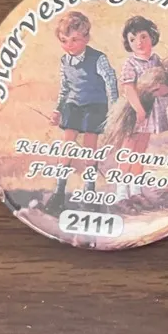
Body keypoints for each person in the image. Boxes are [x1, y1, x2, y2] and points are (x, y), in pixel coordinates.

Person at [44, 11, 118, 216]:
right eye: (64, 40)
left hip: (95, 106)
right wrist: (58, 110)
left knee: (89, 148)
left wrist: (114, 110)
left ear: (86, 38)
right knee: (67, 147)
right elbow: (65, 88)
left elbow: (111, 82)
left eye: (75, 39)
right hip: (73, 105)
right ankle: (59, 192)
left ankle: (89, 192)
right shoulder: (64, 61)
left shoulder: (98, 58)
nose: (69, 45)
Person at [117, 16, 168, 205]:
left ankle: (135, 190)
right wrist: (139, 110)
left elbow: (166, 83)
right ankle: (121, 193)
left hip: (152, 111)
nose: (139, 43)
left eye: (143, 37)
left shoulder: (156, 60)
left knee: (141, 150)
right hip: (136, 112)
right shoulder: (130, 64)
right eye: (133, 39)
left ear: (152, 37)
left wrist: (165, 90)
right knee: (128, 149)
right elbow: (128, 89)